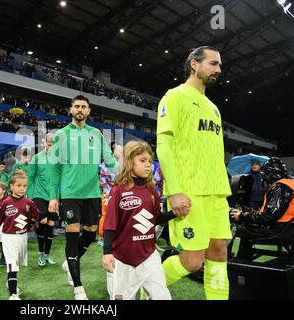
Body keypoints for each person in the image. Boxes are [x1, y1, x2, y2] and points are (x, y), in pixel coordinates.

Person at [156, 46, 231, 300]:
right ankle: (148, 289)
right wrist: (174, 191)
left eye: (219, 65)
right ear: (194, 65)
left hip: (217, 192)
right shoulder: (174, 97)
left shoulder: (214, 108)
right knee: (192, 261)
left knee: (220, 252)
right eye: (213, 63)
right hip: (189, 192)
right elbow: (163, 145)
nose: (218, 69)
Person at [48, 95, 120, 300]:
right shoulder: (61, 135)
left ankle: (70, 261)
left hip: (92, 194)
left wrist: (123, 176)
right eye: (76, 106)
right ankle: (78, 288)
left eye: (83, 107)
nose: (80, 109)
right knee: (72, 233)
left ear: (89, 111)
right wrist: (54, 196)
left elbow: (110, 161)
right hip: (70, 194)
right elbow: (54, 168)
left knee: (90, 234)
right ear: (70, 110)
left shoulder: (96, 134)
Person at [102, 141, 173, 300]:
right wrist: (107, 253)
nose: (148, 165)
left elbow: (157, 219)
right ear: (129, 162)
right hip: (123, 260)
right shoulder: (118, 190)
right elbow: (109, 224)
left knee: (163, 297)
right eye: (142, 160)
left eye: (149, 161)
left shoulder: (152, 191)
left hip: (150, 257)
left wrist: (174, 213)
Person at [0, 174, 40, 300]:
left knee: (17, 264)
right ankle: (13, 295)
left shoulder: (29, 202)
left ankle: (10, 282)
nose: (22, 188)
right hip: (8, 237)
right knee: (12, 264)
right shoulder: (6, 202)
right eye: (19, 185)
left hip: (23, 237)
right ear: (11, 187)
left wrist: (38, 221)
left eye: (24, 186)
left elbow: (35, 217)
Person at [230, 158, 294, 259]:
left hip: (279, 231)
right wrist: (250, 212)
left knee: (239, 229)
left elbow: (268, 217)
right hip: (288, 229)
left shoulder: (279, 187)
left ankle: (240, 262)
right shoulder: (290, 183)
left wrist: (242, 216)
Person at [28, 133, 58, 266]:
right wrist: (30, 197)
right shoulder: (36, 158)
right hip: (39, 195)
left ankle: (47, 254)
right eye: (49, 144)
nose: (51, 147)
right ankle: (40, 253)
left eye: (53, 145)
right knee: (44, 222)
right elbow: (30, 178)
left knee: (51, 225)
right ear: (44, 143)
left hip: (53, 196)